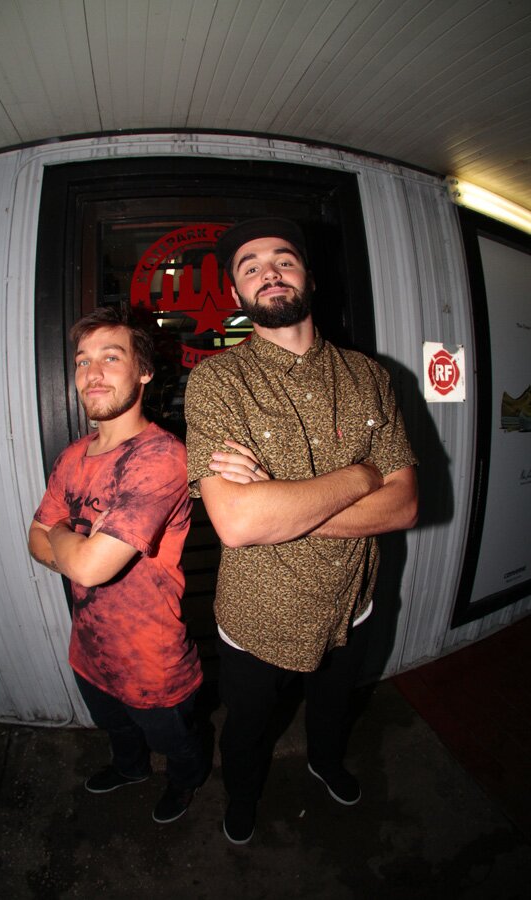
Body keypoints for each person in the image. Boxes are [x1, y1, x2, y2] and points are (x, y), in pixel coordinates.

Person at [184, 217, 418, 844]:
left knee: (335, 710)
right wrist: (364, 474)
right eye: (251, 267)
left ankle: (325, 762)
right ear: (236, 292)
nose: (269, 272)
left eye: (283, 259)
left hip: (352, 605)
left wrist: (279, 505)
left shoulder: (370, 376)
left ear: (308, 276)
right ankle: (242, 796)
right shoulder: (216, 383)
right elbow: (237, 523)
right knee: (246, 729)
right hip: (259, 618)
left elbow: (403, 507)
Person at [28, 306, 205, 825]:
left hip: (152, 662)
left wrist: (63, 535)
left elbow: (86, 566)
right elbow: (34, 541)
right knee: (117, 730)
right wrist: (72, 545)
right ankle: (130, 770)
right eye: (82, 361)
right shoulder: (72, 456)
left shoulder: (161, 457)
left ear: (144, 371)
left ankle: (185, 783)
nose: (92, 373)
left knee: (176, 744)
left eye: (111, 357)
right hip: (88, 650)